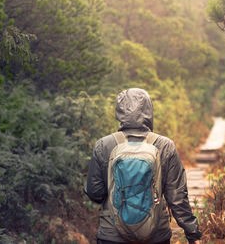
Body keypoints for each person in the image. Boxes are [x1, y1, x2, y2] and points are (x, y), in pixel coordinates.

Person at [85, 88, 202, 244]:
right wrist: (192, 233)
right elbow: (177, 197)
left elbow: (95, 193)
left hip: (112, 235)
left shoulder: (104, 145)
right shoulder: (165, 145)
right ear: (149, 110)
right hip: (155, 235)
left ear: (119, 111)